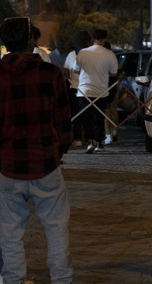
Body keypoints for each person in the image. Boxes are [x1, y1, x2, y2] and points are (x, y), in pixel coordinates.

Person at [0, 16, 73, 284]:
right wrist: (56, 152)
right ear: (32, 40)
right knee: (56, 231)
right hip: (46, 165)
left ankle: (14, 280)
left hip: (8, 167)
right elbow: (63, 124)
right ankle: (62, 280)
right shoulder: (51, 75)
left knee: (9, 234)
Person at [75, 29, 118, 154]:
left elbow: (75, 69)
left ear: (92, 38)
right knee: (99, 116)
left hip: (84, 91)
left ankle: (89, 141)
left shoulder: (83, 53)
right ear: (104, 39)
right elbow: (113, 73)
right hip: (101, 91)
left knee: (86, 118)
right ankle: (99, 141)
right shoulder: (110, 54)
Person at [63, 29, 93, 148]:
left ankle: (77, 138)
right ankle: (90, 137)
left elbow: (66, 70)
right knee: (89, 115)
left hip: (74, 87)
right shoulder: (92, 54)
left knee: (76, 115)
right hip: (89, 88)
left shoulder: (71, 54)